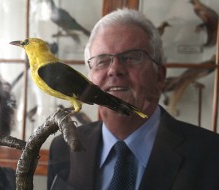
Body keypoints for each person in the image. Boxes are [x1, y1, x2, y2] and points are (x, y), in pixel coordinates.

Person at [47, 8, 219, 190]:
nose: (114, 70)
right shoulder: (64, 148)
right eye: (102, 61)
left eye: (130, 57)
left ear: (160, 76)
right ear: (90, 78)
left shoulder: (211, 155)